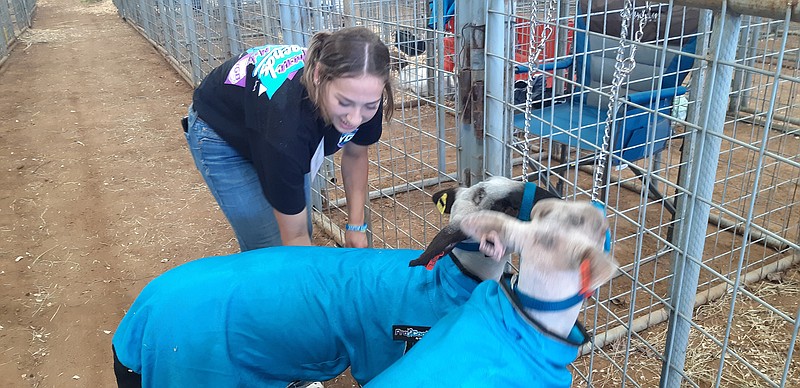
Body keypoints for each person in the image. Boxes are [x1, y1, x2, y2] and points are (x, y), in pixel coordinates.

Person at [184, 26, 394, 251]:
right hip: (222, 133)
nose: (354, 119)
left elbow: (356, 153)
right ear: (317, 75)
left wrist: (356, 226)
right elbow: (294, 238)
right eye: (344, 102)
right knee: (269, 246)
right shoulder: (287, 129)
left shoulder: (363, 93)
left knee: (301, 223)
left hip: (268, 128)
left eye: (369, 106)